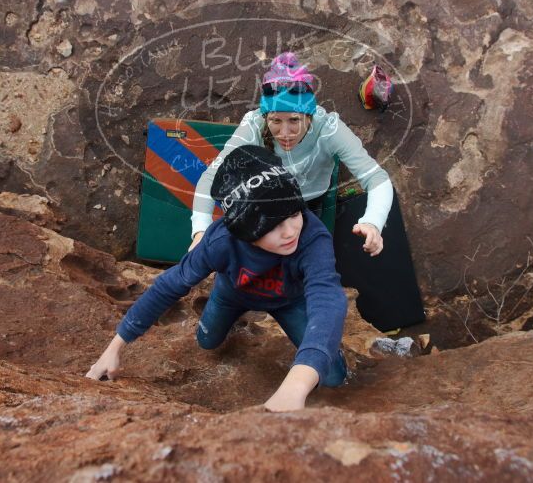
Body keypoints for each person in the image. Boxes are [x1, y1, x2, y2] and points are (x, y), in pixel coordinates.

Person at [87, 145, 349, 412]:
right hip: (232, 294)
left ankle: (324, 353)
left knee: (333, 376)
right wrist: (116, 346)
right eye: (272, 225)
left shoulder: (311, 236)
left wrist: (296, 385)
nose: (290, 231)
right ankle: (228, 316)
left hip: (287, 300)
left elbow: (327, 299)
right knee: (207, 342)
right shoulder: (221, 241)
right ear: (244, 230)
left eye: (294, 213)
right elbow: (171, 284)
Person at [189, 51, 393, 257]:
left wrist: (373, 221)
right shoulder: (254, 124)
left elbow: (376, 177)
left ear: (309, 116)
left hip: (309, 201)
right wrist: (201, 231)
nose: (284, 134)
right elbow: (212, 176)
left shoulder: (329, 128)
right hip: (265, 199)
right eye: (276, 121)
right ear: (266, 116)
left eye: (294, 120)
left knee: (307, 255)